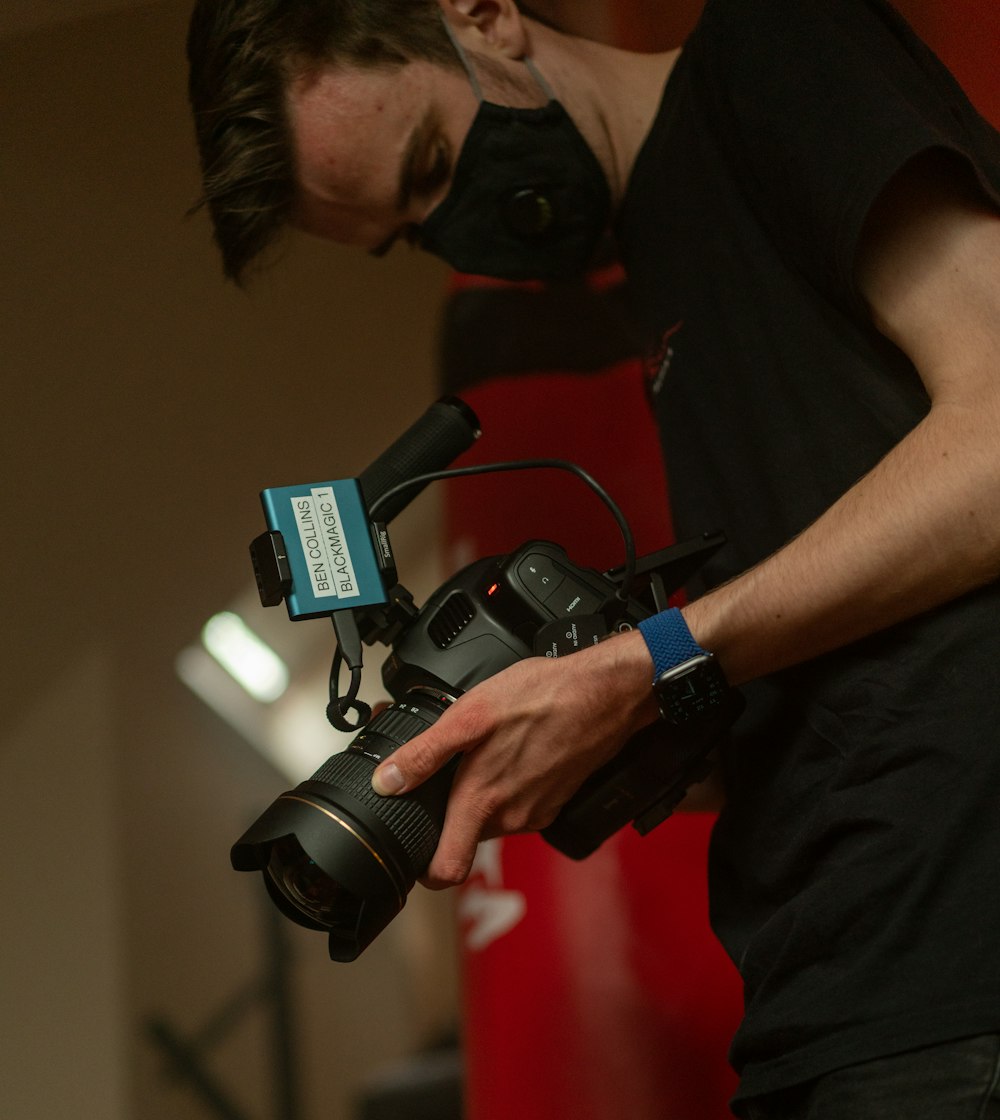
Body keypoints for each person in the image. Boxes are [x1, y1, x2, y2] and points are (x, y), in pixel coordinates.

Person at [186, 0, 1000, 1115]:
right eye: (409, 232)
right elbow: (847, 663)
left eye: (430, 164)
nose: (454, 224)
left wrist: (643, 661)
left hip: (956, 968)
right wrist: (593, 729)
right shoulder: (659, 250)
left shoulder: (773, 50)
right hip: (819, 1001)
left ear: (481, 14)